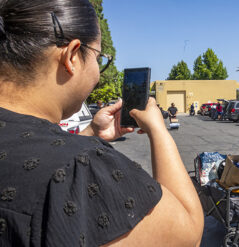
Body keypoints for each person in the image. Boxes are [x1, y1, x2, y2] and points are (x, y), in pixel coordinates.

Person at [0, 1, 203, 246]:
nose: (98, 71)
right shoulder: (83, 167)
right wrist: (158, 130)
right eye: (99, 57)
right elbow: (188, 230)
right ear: (72, 56)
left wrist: (90, 133)